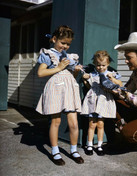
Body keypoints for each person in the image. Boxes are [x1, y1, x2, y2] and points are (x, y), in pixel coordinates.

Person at [36, 25, 84, 165]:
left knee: (73, 123)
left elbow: (72, 76)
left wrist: (75, 70)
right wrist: (58, 67)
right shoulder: (47, 53)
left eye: (68, 44)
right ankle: (55, 151)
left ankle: (74, 150)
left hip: (69, 88)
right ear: (54, 39)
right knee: (56, 121)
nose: (65, 46)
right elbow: (40, 73)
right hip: (55, 88)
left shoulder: (70, 56)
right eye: (63, 43)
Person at [81, 50, 122, 156]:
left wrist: (112, 79)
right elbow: (90, 87)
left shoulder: (110, 74)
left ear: (108, 64)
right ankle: (89, 145)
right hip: (93, 100)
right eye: (98, 65)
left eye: (103, 65)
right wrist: (85, 80)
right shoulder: (92, 74)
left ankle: (99, 146)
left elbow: (120, 84)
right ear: (95, 64)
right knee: (91, 124)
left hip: (103, 101)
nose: (100, 67)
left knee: (100, 124)